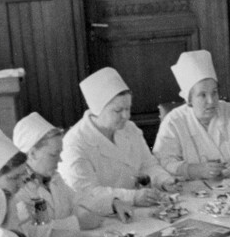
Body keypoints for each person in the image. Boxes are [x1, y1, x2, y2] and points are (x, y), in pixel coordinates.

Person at [59, 67, 174, 218]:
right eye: (118, 111)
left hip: (135, 211)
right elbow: (87, 193)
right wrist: (133, 197)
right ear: (97, 109)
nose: (126, 116)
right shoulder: (75, 143)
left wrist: (164, 180)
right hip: (99, 217)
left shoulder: (129, 129)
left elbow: (148, 164)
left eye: (128, 108)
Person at [153, 49, 230, 180]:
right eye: (203, 95)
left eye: (214, 92)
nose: (211, 101)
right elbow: (162, 161)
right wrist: (194, 170)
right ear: (189, 100)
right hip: (193, 189)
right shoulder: (173, 121)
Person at [13, 115, 103, 237]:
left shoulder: (54, 178)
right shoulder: (18, 192)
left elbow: (79, 201)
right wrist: (76, 222)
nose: (60, 160)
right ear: (32, 154)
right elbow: (37, 235)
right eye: (54, 155)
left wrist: (85, 212)